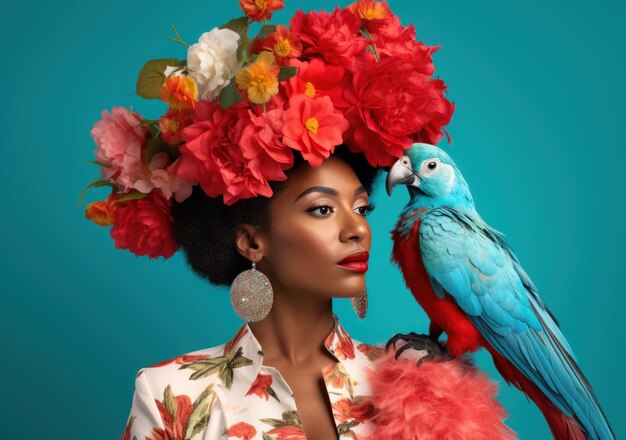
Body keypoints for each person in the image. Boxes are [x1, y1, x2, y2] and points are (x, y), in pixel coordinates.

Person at [119, 147, 514, 440]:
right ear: (251, 243)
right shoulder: (169, 393)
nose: (357, 229)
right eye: (323, 209)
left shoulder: (428, 380)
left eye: (362, 209)